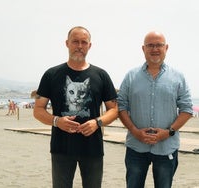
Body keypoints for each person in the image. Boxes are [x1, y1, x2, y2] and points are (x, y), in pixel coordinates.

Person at [33, 26, 118, 188]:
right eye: (75, 41)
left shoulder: (101, 75)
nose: (79, 46)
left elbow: (114, 109)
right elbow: (38, 110)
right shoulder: (51, 74)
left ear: (89, 46)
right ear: (67, 43)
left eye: (84, 42)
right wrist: (57, 121)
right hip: (61, 148)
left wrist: (97, 123)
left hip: (92, 148)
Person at [117, 31, 193, 188]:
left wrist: (169, 132)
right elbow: (121, 106)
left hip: (167, 147)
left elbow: (186, 110)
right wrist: (134, 131)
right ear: (143, 49)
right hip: (136, 147)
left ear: (166, 48)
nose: (155, 49)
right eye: (150, 45)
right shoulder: (131, 76)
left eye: (159, 45)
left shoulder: (178, 77)